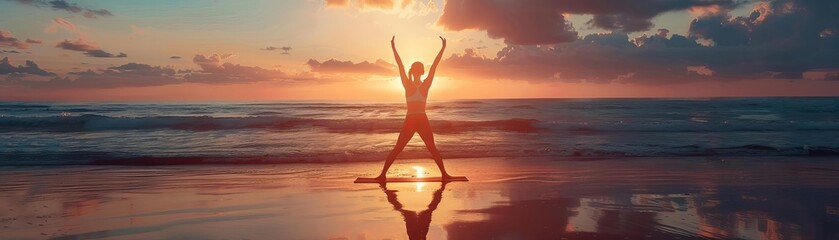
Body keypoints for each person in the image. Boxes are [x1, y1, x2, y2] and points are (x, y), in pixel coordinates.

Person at [375, 36, 451, 180]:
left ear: (422, 71)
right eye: (416, 68)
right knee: (398, 148)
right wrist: (393, 48)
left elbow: (434, 66)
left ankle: (445, 174)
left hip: (422, 119)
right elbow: (400, 65)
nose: (417, 70)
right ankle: (382, 175)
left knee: (432, 148)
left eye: (419, 69)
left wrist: (443, 48)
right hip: (411, 120)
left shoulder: (425, 84)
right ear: (415, 71)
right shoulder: (407, 84)